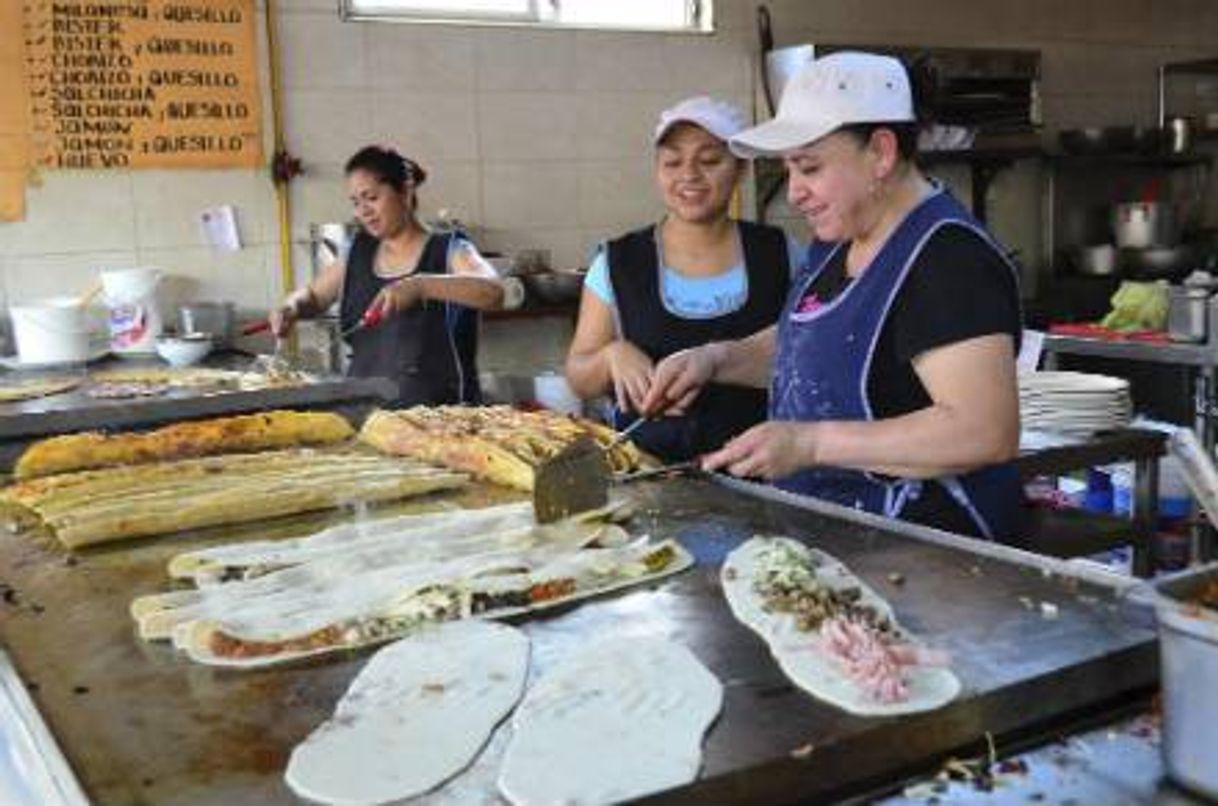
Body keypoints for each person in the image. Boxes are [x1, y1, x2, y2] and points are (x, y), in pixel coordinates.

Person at [642, 53, 1025, 541]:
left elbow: (983, 431)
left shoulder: (947, 259)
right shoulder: (838, 239)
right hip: (836, 540)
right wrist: (717, 360)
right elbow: (814, 347)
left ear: (881, 153)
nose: (795, 192)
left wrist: (811, 444)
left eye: (809, 168)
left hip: (930, 559)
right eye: (789, 169)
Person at [565, 96, 800, 462]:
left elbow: (809, 350)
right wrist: (612, 355)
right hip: (650, 475)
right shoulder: (617, 263)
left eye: (709, 161)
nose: (689, 175)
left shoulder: (783, 254)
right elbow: (578, 375)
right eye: (672, 162)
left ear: (740, 169)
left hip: (763, 472)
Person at [270, 145, 504, 406]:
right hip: (365, 418)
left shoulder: (449, 248)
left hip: (441, 423)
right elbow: (313, 296)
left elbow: (493, 292)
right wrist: (290, 306)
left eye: (371, 197)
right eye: (356, 202)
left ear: (405, 191)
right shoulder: (357, 251)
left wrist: (420, 286)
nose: (363, 211)